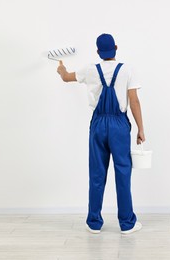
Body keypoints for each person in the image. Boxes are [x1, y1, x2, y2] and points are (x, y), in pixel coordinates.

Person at [56, 33, 145, 234]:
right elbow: (135, 101)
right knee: (123, 173)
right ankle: (126, 224)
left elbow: (66, 77)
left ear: (98, 51)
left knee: (97, 173)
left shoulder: (90, 70)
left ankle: (94, 223)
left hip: (98, 124)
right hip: (119, 125)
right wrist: (140, 129)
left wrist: (61, 68)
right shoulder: (127, 70)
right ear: (116, 47)